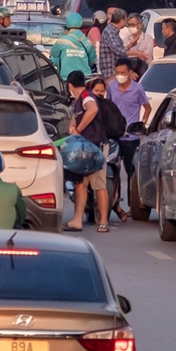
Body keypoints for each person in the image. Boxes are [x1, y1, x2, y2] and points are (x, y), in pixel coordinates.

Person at [65, 71, 111, 233]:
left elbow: (92, 110)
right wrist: (73, 127)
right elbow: (75, 119)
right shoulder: (77, 101)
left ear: (69, 85)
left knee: (99, 184)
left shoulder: (87, 97)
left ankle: (104, 222)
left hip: (95, 147)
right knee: (80, 184)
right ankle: (77, 220)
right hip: (84, 149)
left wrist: (78, 129)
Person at [49, 13, 96, 82]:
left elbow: (53, 55)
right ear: (81, 23)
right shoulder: (87, 42)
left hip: (67, 79)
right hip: (84, 79)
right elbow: (92, 60)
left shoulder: (62, 41)